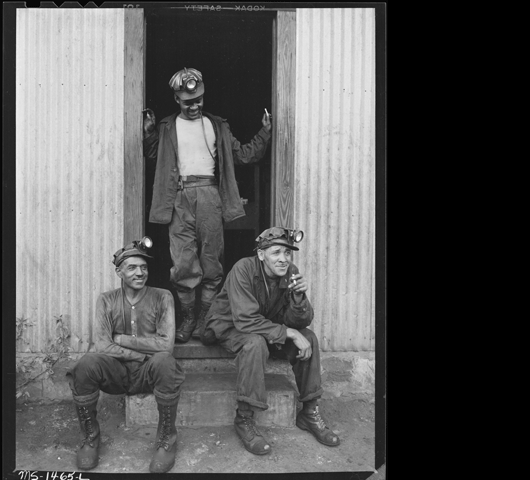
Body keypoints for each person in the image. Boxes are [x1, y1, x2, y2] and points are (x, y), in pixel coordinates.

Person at [143, 67, 272, 344]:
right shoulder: (167, 126)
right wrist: (150, 133)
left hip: (210, 195)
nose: (194, 106)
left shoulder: (217, 126)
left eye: (198, 100)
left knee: (212, 261)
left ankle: (204, 319)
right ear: (177, 99)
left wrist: (265, 132)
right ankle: (188, 318)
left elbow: (244, 155)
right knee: (183, 263)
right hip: (178, 198)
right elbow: (153, 155)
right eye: (188, 101)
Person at [199, 227, 341, 455]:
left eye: (287, 253)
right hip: (230, 326)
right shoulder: (243, 269)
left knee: (309, 337)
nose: (283, 259)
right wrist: (289, 333)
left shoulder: (290, 271)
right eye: (276, 252)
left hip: (266, 328)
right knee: (254, 343)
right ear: (261, 254)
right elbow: (244, 320)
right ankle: (244, 418)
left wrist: (298, 299)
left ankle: (309, 412)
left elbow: (300, 320)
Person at [68, 237, 185, 473]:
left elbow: (165, 346)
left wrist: (121, 340)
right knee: (86, 364)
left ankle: (166, 441)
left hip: (148, 373)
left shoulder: (163, 297)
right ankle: (90, 438)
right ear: (119, 272)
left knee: (165, 361)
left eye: (144, 267)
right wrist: (140, 354)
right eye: (131, 268)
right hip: (117, 373)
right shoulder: (107, 300)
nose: (139, 273)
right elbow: (102, 346)